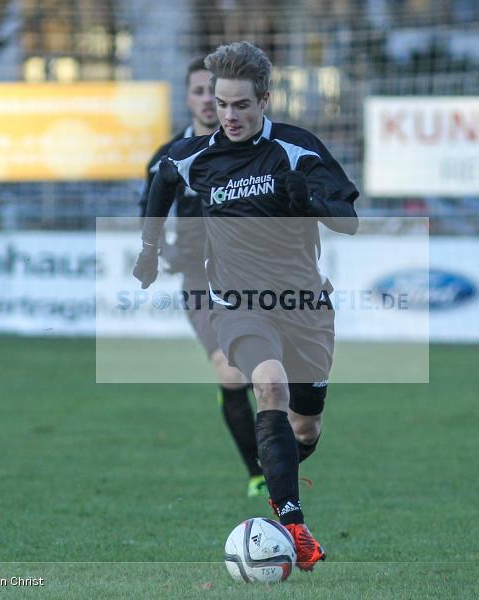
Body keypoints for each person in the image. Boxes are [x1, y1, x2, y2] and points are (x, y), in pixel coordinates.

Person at [134, 41, 359, 571]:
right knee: (268, 385)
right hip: (237, 302)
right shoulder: (197, 158)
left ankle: (278, 476)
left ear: (264, 100)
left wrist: (306, 200)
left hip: (304, 306)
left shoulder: (297, 150)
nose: (227, 115)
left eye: (240, 105)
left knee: (305, 429)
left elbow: (348, 220)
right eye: (221, 102)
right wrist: (149, 250)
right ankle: (295, 526)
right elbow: (162, 180)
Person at [139, 57, 266, 498]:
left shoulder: (256, 150)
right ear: (189, 98)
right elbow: (149, 213)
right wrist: (160, 249)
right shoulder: (168, 158)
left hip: (258, 278)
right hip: (200, 280)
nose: (209, 102)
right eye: (199, 92)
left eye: (215, 93)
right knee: (231, 373)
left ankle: (284, 450)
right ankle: (258, 473)